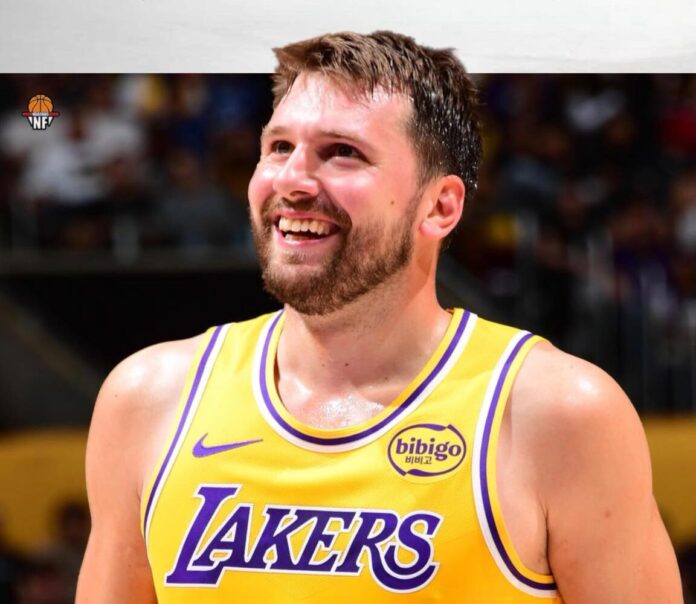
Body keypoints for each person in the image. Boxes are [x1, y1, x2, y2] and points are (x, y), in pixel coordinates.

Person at [76, 31, 682, 603]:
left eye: (342, 153)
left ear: (439, 206)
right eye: (279, 147)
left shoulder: (558, 415)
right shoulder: (148, 399)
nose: (293, 180)